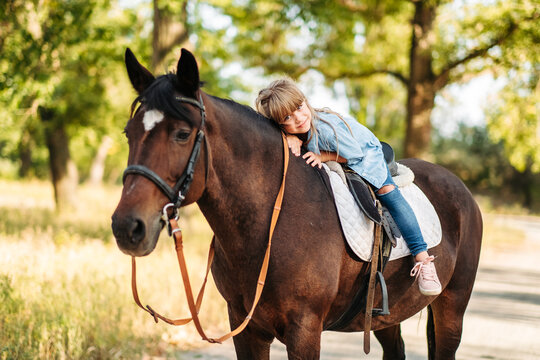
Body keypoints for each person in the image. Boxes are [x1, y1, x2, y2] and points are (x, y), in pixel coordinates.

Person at [255, 78, 441, 296]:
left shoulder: (324, 128)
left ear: (305, 101)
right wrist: (290, 137)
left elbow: (353, 153)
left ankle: (422, 257)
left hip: (363, 154)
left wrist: (320, 156)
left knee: (388, 192)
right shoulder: (294, 130)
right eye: (287, 118)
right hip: (341, 152)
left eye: (299, 107)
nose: (299, 118)